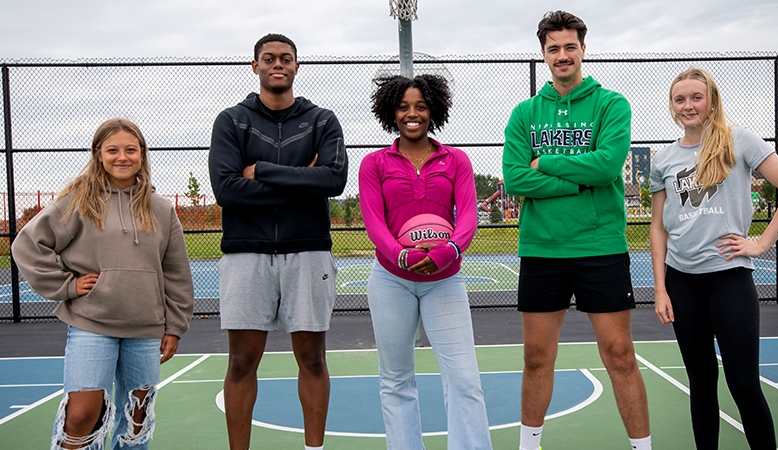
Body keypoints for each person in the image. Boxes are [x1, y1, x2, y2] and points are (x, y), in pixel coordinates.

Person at [501, 11, 652, 450]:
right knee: (536, 358)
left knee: (620, 355)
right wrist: (581, 178)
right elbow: (514, 178)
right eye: (554, 49)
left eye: (570, 47)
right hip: (542, 248)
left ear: (583, 49)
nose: (562, 56)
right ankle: (530, 446)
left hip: (599, 244)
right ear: (544, 54)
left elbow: (607, 166)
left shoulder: (611, 104)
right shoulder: (526, 112)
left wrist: (544, 163)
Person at [11, 118, 195, 450]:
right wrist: (67, 285)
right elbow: (27, 245)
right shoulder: (80, 201)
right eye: (112, 150)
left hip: (146, 328)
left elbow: (176, 273)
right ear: (98, 154)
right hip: (91, 324)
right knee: (82, 416)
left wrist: (175, 326)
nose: (122, 157)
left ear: (142, 154)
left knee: (135, 421)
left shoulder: (162, 209)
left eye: (130, 149)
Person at [650, 67, 778, 450]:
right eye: (680, 99)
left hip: (728, 278)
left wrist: (761, 242)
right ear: (672, 106)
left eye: (696, 97)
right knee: (701, 384)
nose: (688, 105)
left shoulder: (740, 141)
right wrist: (660, 288)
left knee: (742, 384)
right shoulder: (664, 158)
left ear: (712, 101)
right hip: (681, 282)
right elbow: (658, 227)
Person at [208, 33, 348, 450]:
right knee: (241, 362)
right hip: (245, 253)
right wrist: (303, 181)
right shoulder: (231, 121)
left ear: (296, 67)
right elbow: (227, 190)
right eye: (268, 58)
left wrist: (262, 169)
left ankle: (314, 448)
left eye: (286, 58)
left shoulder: (322, 120)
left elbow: (334, 180)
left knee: (312, 359)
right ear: (255, 66)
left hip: (307, 251)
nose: (277, 64)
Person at [358, 74, 493, 450]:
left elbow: (467, 216)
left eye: (420, 106)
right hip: (391, 280)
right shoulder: (374, 163)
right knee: (396, 379)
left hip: (445, 279)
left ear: (434, 111)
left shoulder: (456, 160)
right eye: (403, 107)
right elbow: (373, 220)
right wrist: (401, 254)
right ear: (391, 112)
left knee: (464, 378)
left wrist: (448, 251)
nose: (412, 114)